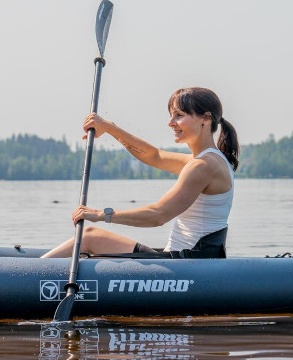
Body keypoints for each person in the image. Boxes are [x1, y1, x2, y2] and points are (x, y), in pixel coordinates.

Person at [41, 87, 239, 259]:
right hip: (186, 257)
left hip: (187, 262)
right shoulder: (206, 160)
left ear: (205, 119)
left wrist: (101, 214)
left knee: (89, 236)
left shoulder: (203, 165)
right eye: (171, 115)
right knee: (91, 250)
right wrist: (109, 128)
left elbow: (158, 215)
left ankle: (26, 275)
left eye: (179, 115)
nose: (171, 122)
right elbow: (154, 156)